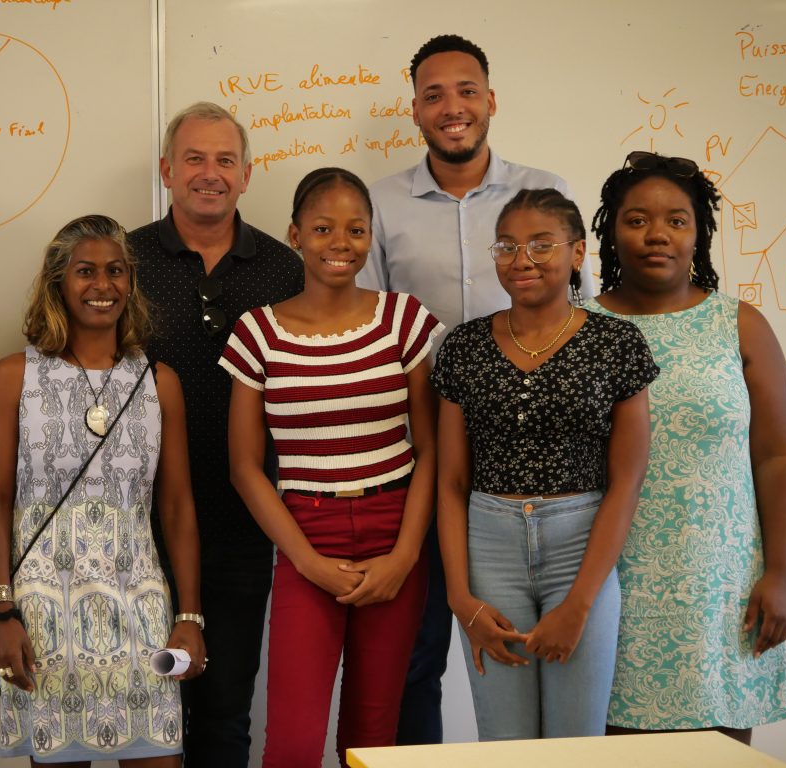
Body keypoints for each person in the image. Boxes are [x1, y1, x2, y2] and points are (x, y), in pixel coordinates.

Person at [356, 34, 596, 744]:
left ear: (491, 100)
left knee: (551, 651)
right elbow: (368, 327)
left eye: (466, 91)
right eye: (433, 95)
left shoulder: (543, 191)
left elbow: (583, 317)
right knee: (420, 651)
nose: (451, 107)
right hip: (421, 455)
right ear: (414, 110)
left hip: (542, 468)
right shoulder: (380, 204)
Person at [220, 168, 441, 767]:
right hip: (306, 536)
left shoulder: (403, 320)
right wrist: (307, 561)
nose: (340, 243)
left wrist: (404, 557)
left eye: (355, 229)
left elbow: (430, 450)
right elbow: (244, 467)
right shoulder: (258, 333)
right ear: (295, 235)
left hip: (394, 533)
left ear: (371, 235)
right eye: (322, 229)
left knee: (372, 738)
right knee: (292, 745)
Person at [0, 214, 205, 765]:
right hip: (44, 611)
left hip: (142, 605)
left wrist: (190, 617)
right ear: (58, 282)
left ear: (130, 281)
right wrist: (1, 612)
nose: (103, 285)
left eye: (116, 271)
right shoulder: (15, 377)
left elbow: (177, 508)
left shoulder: (159, 382)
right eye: (85, 272)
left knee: (160, 755)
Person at [586, 151, 786, 744]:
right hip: (611, 585)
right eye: (637, 219)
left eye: (677, 220)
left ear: (699, 232)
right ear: (610, 231)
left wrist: (780, 573)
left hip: (721, 590)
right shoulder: (580, 330)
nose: (657, 234)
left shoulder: (740, 324)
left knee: (718, 751)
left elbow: (778, 455)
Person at [433, 188, 657, 740]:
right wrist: (460, 598)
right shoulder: (464, 346)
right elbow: (451, 482)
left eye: (540, 244)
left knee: (575, 744)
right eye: (506, 246)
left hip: (580, 549)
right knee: (504, 743)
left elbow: (627, 481)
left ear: (577, 252)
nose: (521, 259)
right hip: (489, 550)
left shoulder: (616, 343)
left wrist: (579, 605)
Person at [128, 102, 304, 766]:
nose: (210, 173)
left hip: (244, 524)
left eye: (225, 160)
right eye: (194, 159)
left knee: (225, 713)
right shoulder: (124, 262)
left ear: (247, 174)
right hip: (138, 529)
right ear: (167, 170)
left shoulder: (285, 269)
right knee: (147, 716)